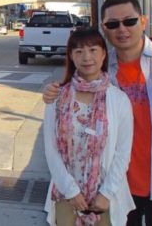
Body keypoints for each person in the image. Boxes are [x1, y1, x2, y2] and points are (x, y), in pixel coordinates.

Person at [43, 0, 152, 226]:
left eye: (130, 21)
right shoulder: (104, 67)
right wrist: (53, 92)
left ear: (143, 21)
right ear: (104, 29)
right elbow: (76, 95)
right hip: (117, 186)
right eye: (113, 24)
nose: (122, 29)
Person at [44, 28, 134, 226]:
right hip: (66, 194)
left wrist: (106, 193)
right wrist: (71, 191)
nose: (86, 57)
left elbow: (123, 153)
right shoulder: (56, 97)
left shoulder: (119, 100)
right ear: (71, 56)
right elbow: (51, 150)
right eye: (79, 51)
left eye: (93, 50)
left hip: (105, 197)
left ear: (103, 54)